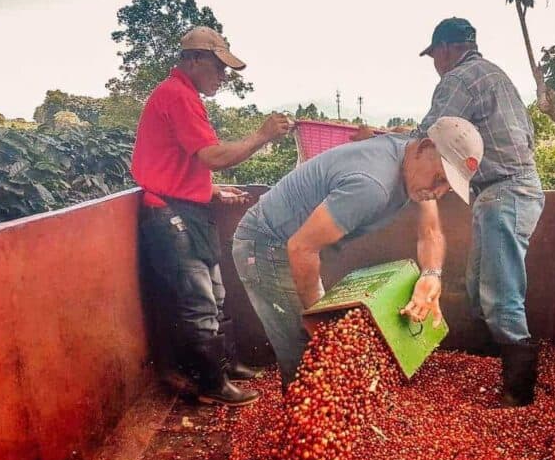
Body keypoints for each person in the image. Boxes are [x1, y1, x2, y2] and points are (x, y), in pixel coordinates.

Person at [360, 18, 545, 407]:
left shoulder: (459, 79)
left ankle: (519, 394)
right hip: (514, 189)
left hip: (504, 191)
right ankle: (493, 364)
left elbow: (428, 140)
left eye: (433, 56)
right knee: (480, 286)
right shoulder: (495, 76)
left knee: (499, 292)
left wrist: (377, 143)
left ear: (444, 48)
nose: (435, 64)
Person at [232, 117, 483, 392]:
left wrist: (431, 275)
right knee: (308, 353)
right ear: (424, 147)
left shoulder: (410, 154)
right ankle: (305, 424)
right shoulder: (372, 186)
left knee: (320, 351)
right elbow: (301, 249)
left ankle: (319, 417)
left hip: (300, 244)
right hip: (266, 243)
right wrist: (322, 323)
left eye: (446, 189)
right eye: (438, 179)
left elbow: (431, 232)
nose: (436, 192)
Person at [131, 26, 290, 406]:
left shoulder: (184, 95)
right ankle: (210, 383)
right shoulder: (177, 96)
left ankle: (225, 363)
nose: (223, 76)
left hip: (188, 206)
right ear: (195, 60)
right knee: (199, 301)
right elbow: (212, 156)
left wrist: (210, 189)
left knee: (216, 294)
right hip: (170, 213)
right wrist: (261, 136)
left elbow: (179, 162)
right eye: (219, 67)